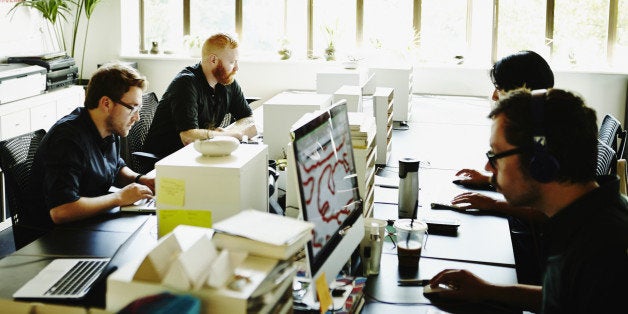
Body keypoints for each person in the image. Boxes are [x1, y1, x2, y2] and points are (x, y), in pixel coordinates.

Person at [427, 88, 628, 313]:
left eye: (496, 155)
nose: (487, 167)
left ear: (540, 164)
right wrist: (488, 290)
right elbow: (566, 298)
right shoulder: (586, 218)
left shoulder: (603, 254)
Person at [451, 50, 554, 284]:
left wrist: (494, 204)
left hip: (539, 251)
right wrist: (489, 181)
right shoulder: (542, 122)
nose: (495, 95)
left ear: (522, 88)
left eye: (500, 86)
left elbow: (546, 212)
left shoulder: (543, 139)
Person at [29, 62, 155, 229]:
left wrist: (141, 179)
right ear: (106, 104)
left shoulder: (109, 129)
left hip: (90, 222)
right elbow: (61, 211)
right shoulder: (67, 139)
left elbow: (115, 166)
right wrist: (119, 197)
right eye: (132, 108)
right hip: (57, 237)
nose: (137, 117)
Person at [142, 32, 257, 159]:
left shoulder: (227, 81)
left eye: (237, 62)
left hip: (199, 155)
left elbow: (249, 120)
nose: (236, 68)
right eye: (231, 62)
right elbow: (188, 137)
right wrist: (231, 135)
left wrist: (230, 132)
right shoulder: (186, 83)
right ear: (213, 60)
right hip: (168, 159)